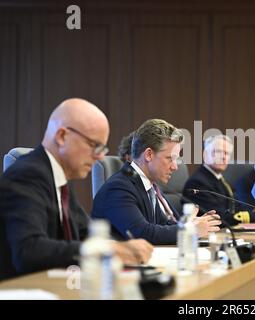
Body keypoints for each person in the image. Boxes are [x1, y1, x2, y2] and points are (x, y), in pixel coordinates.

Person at [0, 98, 153, 281]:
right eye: (94, 145)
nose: (99, 157)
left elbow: (85, 232)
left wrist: (124, 248)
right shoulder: (27, 175)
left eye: (103, 149)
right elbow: (30, 250)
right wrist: (109, 251)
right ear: (62, 136)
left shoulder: (57, 176)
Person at [92, 119, 221, 245]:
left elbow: (163, 225)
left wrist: (193, 223)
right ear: (149, 155)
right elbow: (143, 233)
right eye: (170, 158)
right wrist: (189, 229)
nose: (175, 166)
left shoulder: (149, 186)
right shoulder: (118, 188)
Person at [182, 135, 255, 226]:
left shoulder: (219, 179)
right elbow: (219, 217)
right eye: (218, 151)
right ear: (205, 154)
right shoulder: (198, 183)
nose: (223, 157)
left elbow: (237, 207)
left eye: (227, 153)